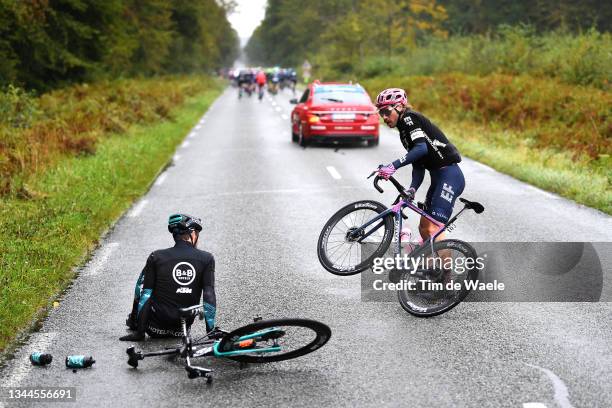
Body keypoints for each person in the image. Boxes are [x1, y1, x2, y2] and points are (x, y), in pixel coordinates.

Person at [375, 88, 464, 243]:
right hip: (438, 179)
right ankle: (432, 266)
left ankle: (448, 268)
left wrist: (393, 166)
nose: (384, 117)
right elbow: (419, 164)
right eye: (381, 113)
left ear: (400, 107)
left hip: (450, 176)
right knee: (424, 228)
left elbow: (420, 148)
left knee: (433, 228)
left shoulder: (409, 118)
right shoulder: (404, 132)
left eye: (386, 112)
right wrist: (412, 188)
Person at [120, 214, 216, 341]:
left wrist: (140, 333)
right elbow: (209, 295)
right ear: (191, 233)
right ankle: (135, 322)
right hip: (181, 330)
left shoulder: (156, 257)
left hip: (154, 329)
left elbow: (145, 294)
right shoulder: (207, 258)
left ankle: (134, 321)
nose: (198, 237)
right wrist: (211, 332)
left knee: (144, 281)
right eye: (197, 233)